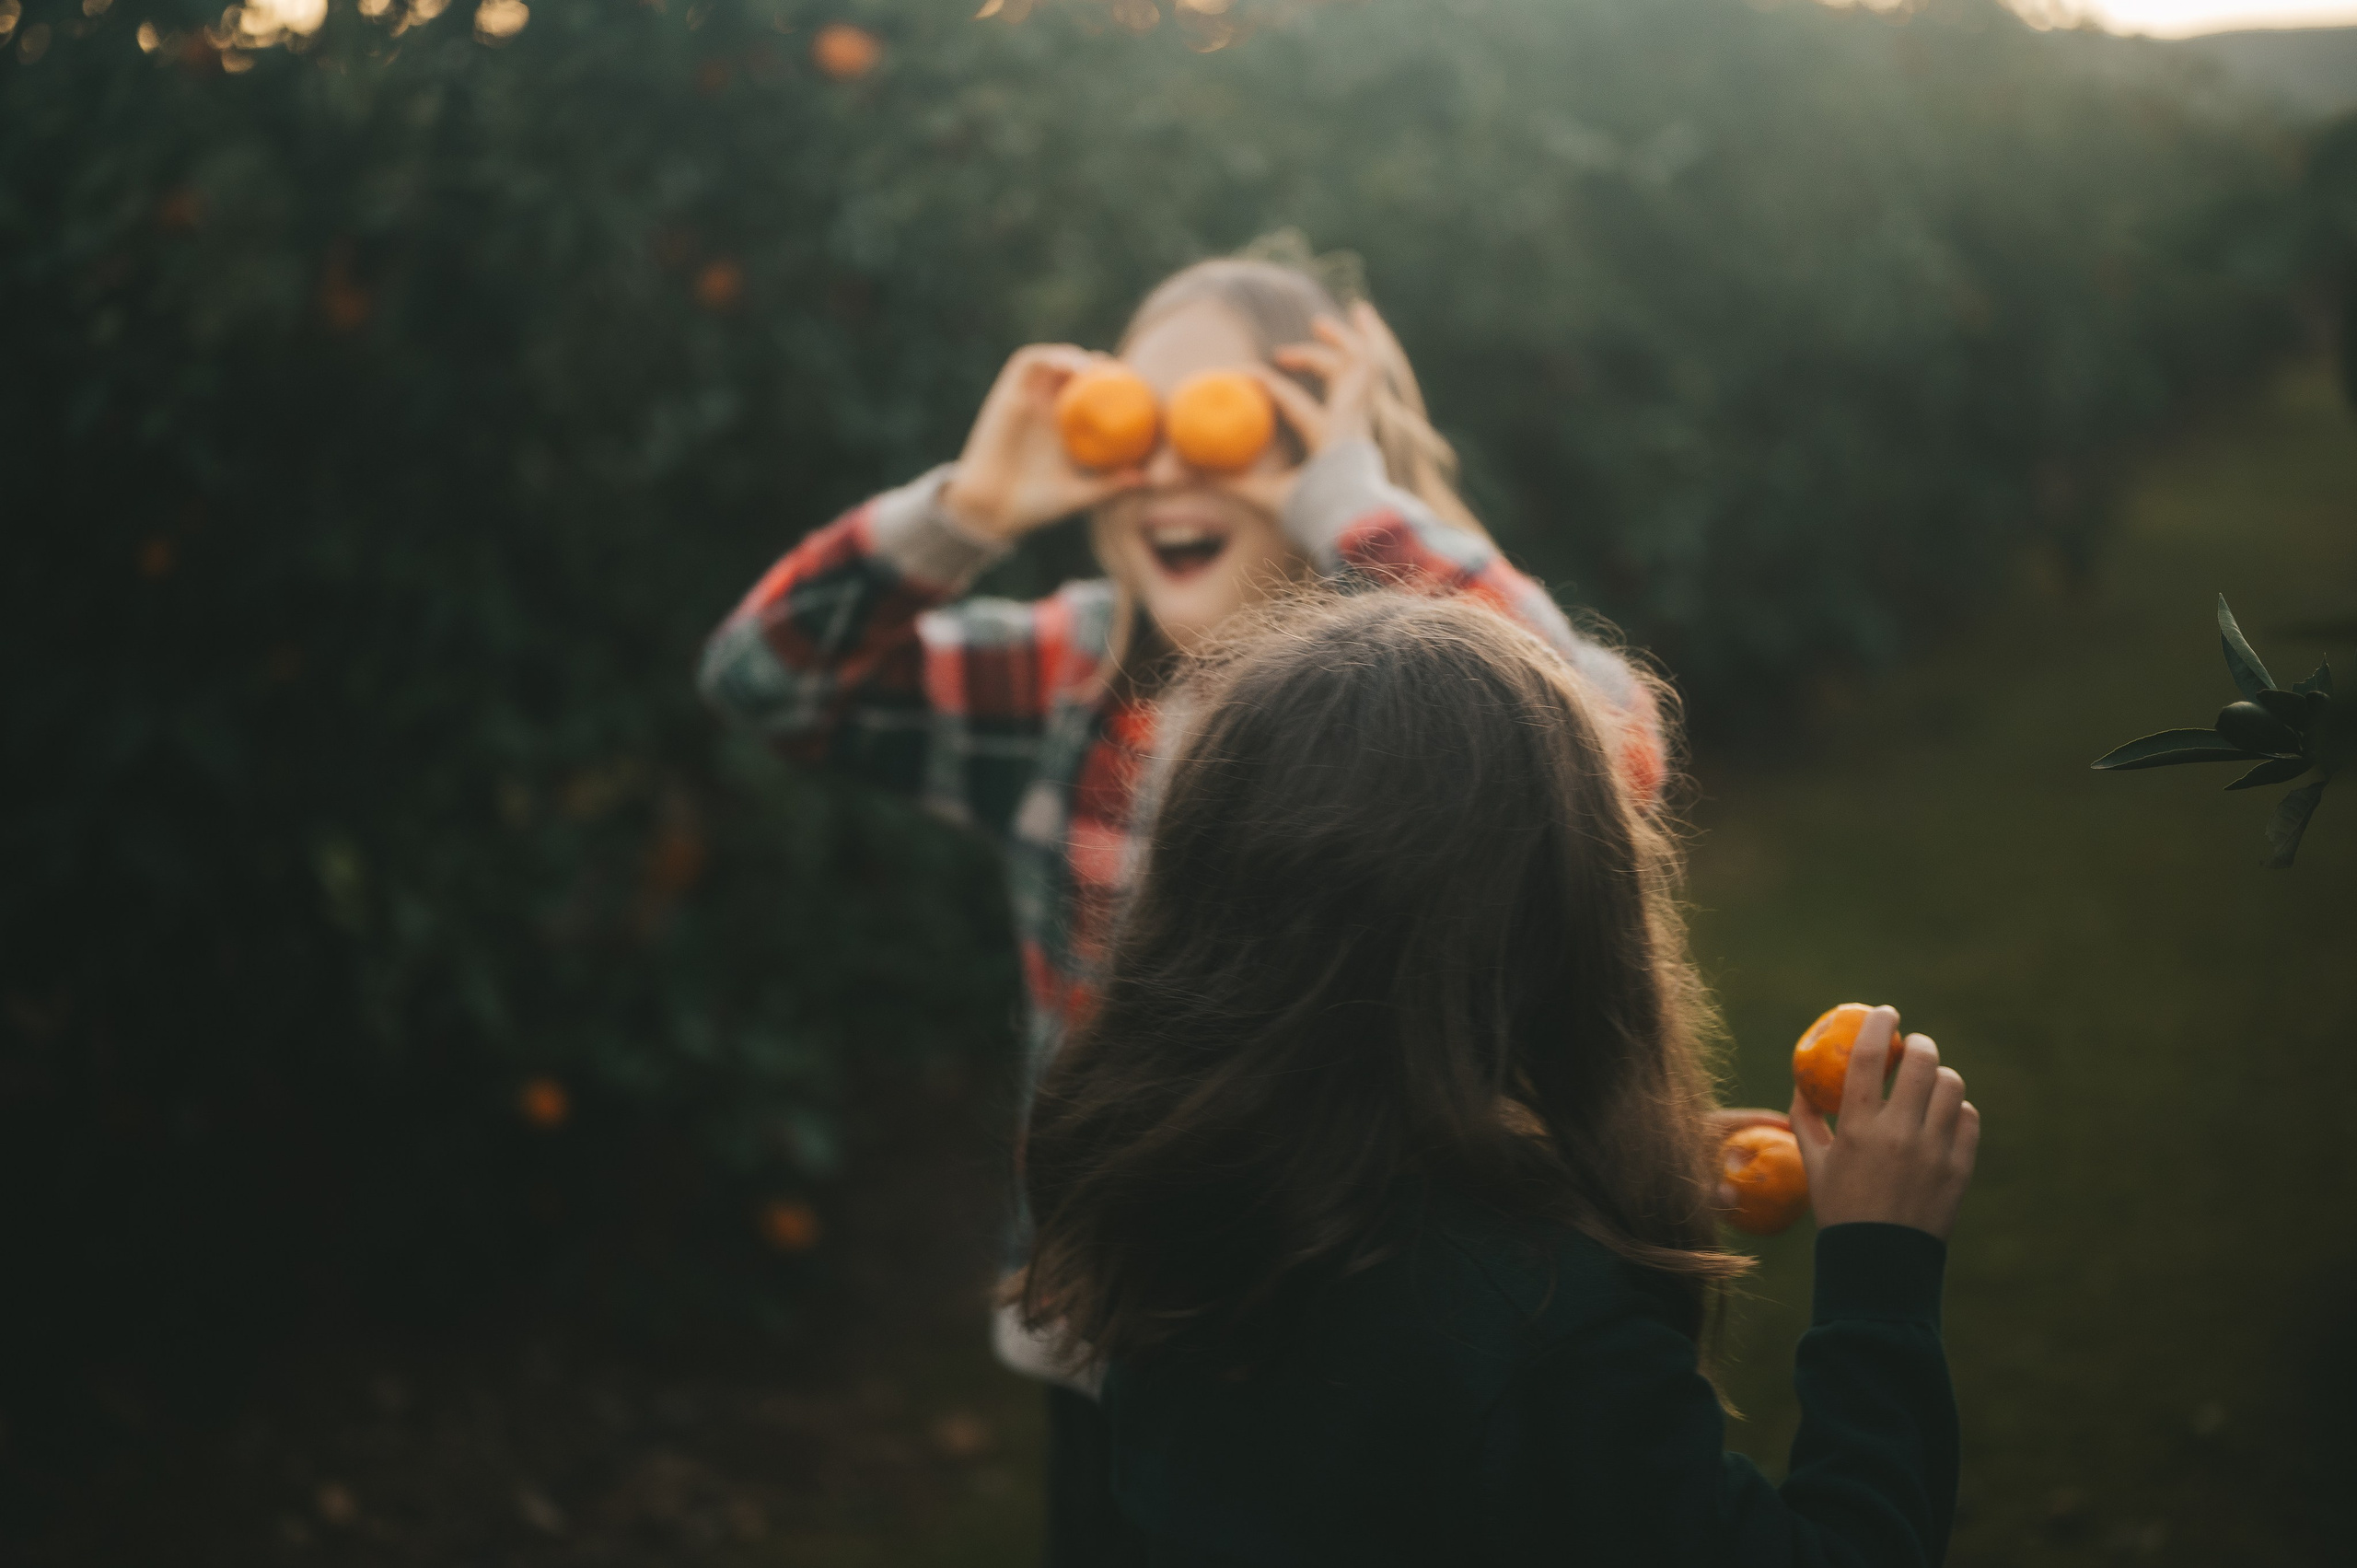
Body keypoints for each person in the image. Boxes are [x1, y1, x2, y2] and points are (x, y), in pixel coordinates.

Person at [697, 254, 1666, 1558]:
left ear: (1332, 449)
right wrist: (969, 508)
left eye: (1226, 419)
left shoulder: (1415, 711)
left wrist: (1356, 516)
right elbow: (766, 677)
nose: (1159, 462)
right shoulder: (1068, 676)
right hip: (1118, 1317)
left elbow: (1607, 739)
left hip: (1383, 1336)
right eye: (1128, 420)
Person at [1017, 592, 1981, 1566]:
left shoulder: (1170, 1198)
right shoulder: (1545, 1330)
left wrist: (1550, 1176)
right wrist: (1880, 1266)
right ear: (1562, 919)